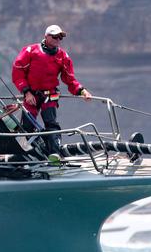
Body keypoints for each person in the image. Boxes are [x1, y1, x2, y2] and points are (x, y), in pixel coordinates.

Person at [12, 24, 92, 155]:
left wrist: (82, 91)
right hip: (31, 95)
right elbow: (18, 72)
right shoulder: (30, 51)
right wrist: (26, 92)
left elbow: (69, 79)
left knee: (51, 124)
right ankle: (30, 154)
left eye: (60, 37)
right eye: (55, 36)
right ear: (46, 37)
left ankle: (55, 154)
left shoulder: (63, 56)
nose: (58, 39)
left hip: (50, 95)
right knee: (27, 126)